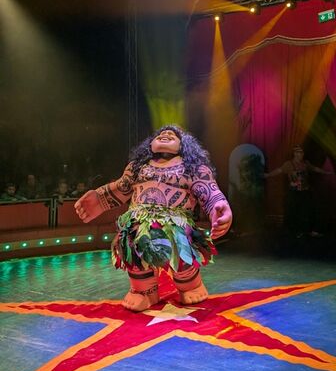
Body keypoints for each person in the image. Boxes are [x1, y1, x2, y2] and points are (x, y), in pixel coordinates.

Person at [75, 125, 232, 311]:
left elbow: (210, 193)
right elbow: (120, 188)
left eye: (172, 134)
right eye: (161, 134)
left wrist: (219, 209)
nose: (165, 134)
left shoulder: (193, 169)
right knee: (134, 251)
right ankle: (144, 292)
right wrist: (99, 199)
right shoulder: (137, 168)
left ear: (184, 144)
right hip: (138, 223)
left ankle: (191, 286)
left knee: (182, 259)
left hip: (176, 225)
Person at [264, 145, 332, 238]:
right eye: (299, 152)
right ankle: (295, 231)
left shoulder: (305, 163)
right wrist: (268, 175)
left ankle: (311, 231)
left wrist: (325, 172)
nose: (301, 154)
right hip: (294, 192)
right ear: (295, 154)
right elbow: (279, 170)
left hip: (305, 191)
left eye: (302, 153)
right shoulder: (289, 164)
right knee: (294, 212)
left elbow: (314, 168)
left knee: (310, 211)